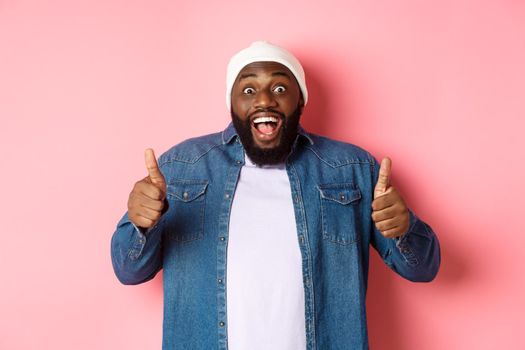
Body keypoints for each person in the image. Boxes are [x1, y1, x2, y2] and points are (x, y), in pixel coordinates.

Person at [110, 41, 440, 350]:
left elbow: (423, 269)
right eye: (249, 89)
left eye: (280, 88)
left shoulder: (351, 169)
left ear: (300, 99)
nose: (265, 100)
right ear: (232, 103)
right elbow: (129, 271)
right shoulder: (181, 169)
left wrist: (403, 229)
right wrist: (140, 226)